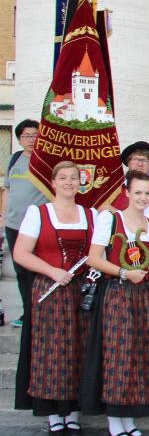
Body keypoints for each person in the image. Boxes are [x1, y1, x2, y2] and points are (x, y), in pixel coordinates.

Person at [12, 161, 95, 435]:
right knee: (52, 353)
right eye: (63, 178)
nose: (69, 182)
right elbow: (20, 253)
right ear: (53, 182)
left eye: (74, 178)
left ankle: (72, 413)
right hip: (50, 291)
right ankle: (53, 416)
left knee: (79, 351)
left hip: (81, 292)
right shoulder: (38, 213)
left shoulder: (91, 214)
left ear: (80, 182)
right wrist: (53, 271)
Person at [84, 171, 149, 436]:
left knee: (139, 357)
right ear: (127, 193)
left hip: (144, 296)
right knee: (119, 356)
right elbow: (94, 258)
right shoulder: (111, 218)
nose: (143, 198)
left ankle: (129, 420)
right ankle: (114, 422)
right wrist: (124, 273)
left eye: (147, 193)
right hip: (118, 292)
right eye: (137, 192)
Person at [5, 119, 48, 329]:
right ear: (19, 139)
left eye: (35, 135)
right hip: (13, 224)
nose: (31, 140)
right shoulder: (14, 159)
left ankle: (38, 312)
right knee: (20, 272)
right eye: (26, 136)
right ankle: (27, 312)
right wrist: (3, 216)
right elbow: (7, 189)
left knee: (36, 271)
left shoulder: (47, 161)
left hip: (37, 227)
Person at [107, 141, 149, 218]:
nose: (140, 164)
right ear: (128, 162)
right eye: (136, 159)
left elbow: (147, 222)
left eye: (145, 160)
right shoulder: (114, 189)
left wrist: (114, 211)